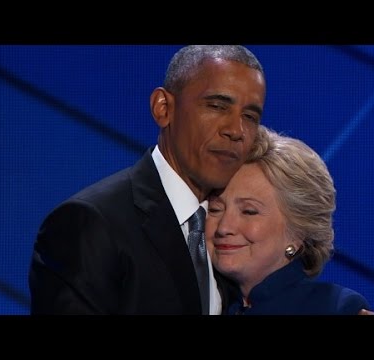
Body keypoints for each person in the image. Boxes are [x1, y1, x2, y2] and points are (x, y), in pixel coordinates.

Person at [28, 45, 266, 314]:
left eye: (250, 116)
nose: (236, 130)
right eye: (217, 106)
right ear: (163, 108)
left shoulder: (234, 238)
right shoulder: (90, 224)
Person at [206, 125, 372, 315]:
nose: (224, 227)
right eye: (215, 209)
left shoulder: (334, 308)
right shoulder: (189, 296)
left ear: (297, 232)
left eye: (249, 211)